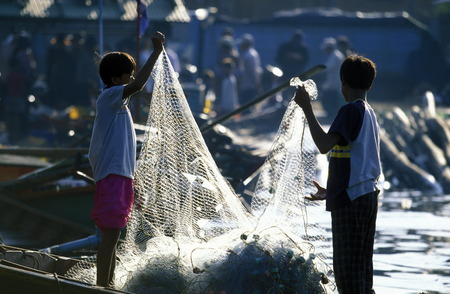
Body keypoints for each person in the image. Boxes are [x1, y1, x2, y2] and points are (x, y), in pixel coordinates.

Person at [294, 54, 381, 294]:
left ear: (343, 82)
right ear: (369, 84)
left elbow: (323, 144)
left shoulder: (350, 111)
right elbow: (360, 161)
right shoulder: (369, 112)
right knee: (361, 266)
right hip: (366, 195)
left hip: (352, 200)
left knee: (348, 272)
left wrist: (306, 108)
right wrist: (330, 191)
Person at [88, 31, 165, 287]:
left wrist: (134, 183)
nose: (131, 78)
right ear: (114, 79)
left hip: (121, 176)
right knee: (110, 237)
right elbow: (139, 85)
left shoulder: (121, 107)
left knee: (115, 236)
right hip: (111, 175)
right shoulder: (109, 97)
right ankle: (102, 286)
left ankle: (107, 284)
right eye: (128, 74)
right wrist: (155, 52)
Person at [320, 37, 345, 121]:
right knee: (330, 99)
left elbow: (327, 68)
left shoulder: (335, 56)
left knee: (329, 99)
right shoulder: (335, 55)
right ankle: (331, 113)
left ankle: (331, 114)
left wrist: (318, 70)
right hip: (333, 82)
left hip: (334, 83)